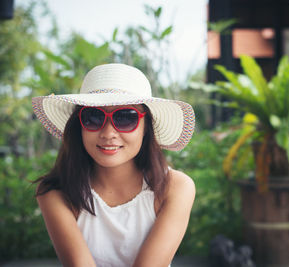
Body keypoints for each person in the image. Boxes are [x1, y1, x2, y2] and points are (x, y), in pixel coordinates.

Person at [32, 63, 196, 267]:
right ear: (79, 125)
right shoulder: (55, 192)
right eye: (94, 117)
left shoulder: (176, 187)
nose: (108, 133)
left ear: (146, 128)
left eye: (126, 118)